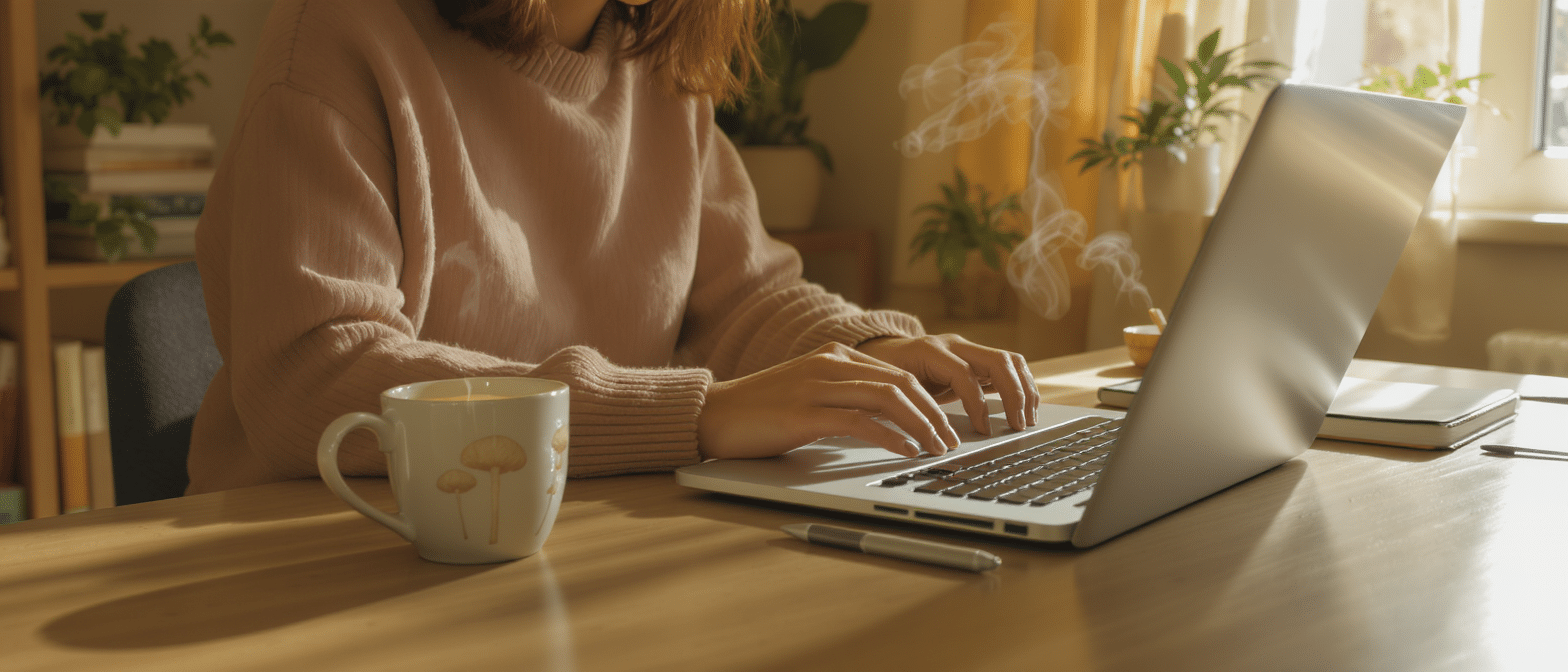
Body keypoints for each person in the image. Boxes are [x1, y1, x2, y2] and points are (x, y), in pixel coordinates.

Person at [187, 0, 1040, 495]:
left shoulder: (653, 61)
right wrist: (695, 416)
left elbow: (738, 295)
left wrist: (873, 351)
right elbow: (313, 379)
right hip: (334, 560)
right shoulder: (340, 37)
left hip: (573, 541)